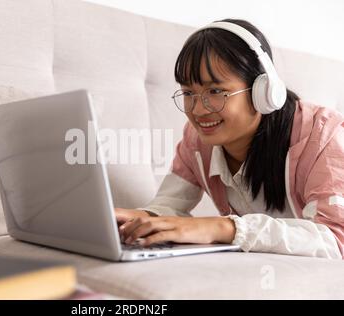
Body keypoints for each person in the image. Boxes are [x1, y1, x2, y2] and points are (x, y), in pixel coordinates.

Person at [115, 19, 344, 259]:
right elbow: (169, 204)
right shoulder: (197, 141)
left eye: (215, 91)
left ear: (263, 91)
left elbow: (337, 239)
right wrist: (140, 218)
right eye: (188, 93)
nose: (199, 110)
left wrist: (226, 227)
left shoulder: (323, 136)